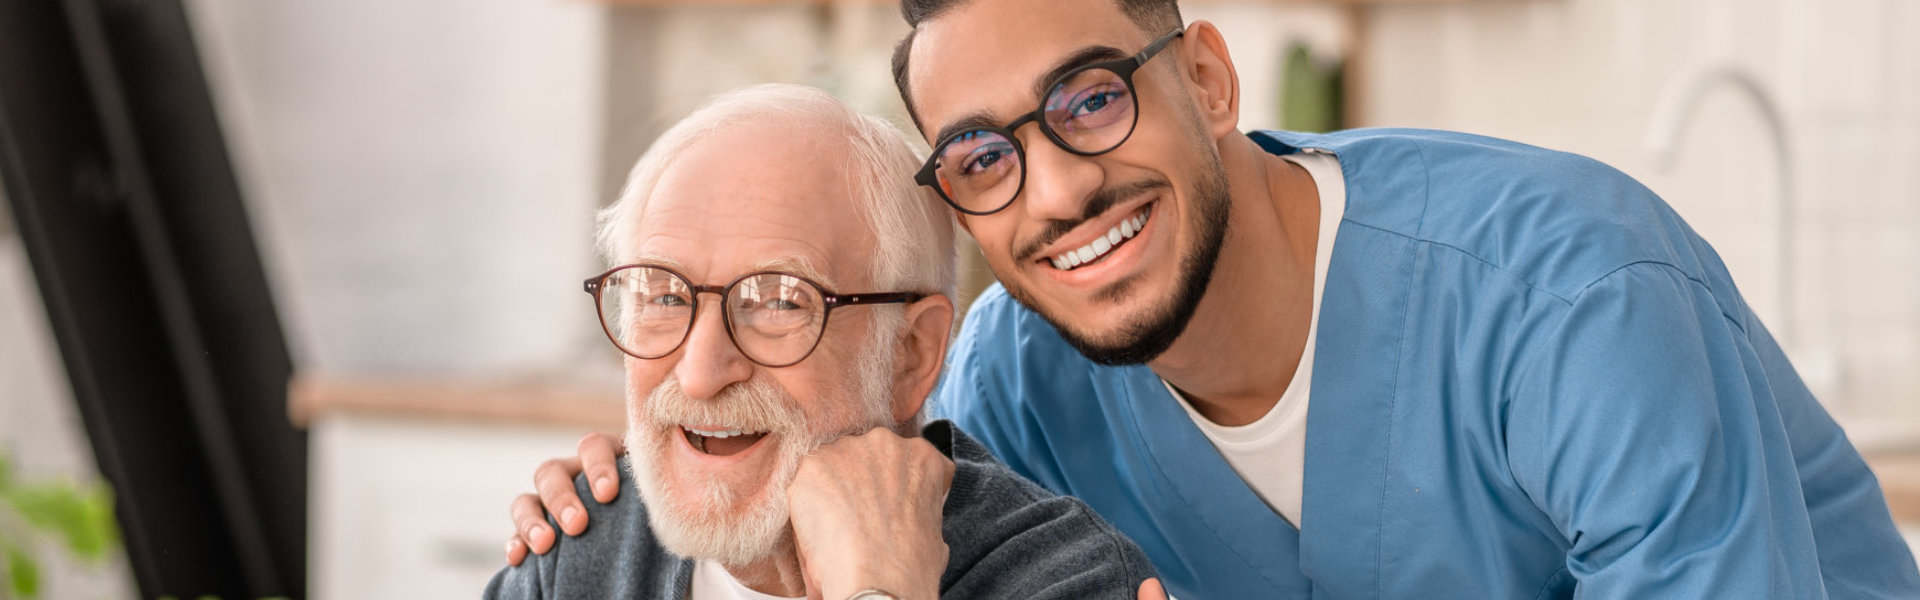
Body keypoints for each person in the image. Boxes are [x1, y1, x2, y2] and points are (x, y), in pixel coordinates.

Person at [506, 1, 1920, 597]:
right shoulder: (1011, 378)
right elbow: (809, 465)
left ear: (1210, 83)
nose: (1055, 191)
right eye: (987, 158)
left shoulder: (1570, 298)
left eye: (1093, 101)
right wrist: (651, 472)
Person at [484, 84, 1162, 600]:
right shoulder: (576, 551)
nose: (697, 374)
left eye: (779, 301)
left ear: (911, 355)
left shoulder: (1070, 582)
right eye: (664, 295)